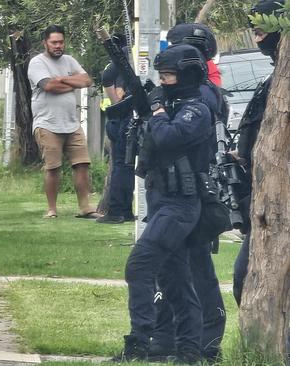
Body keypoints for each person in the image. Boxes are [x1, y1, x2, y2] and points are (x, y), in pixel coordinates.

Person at [116, 43, 212, 364]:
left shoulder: (197, 109)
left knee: (139, 266)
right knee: (175, 280)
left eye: (169, 75)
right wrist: (149, 108)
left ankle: (139, 344)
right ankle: (189, 351)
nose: (164, 81)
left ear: (187, 74)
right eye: (161, 75)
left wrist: (157, 112)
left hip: (181, 206)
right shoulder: (170, 105)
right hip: (163, 204)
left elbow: (169, 137)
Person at [149, 23, 227, 362]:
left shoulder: (203, 94)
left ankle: (205, 343)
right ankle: (164, 340)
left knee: (196, 270)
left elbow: (177, 134)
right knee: (168, 269)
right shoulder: (184, 91)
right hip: (170, 188)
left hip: (192, 190)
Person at [232, 0, 285, 306]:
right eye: (254, 31)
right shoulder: (273, 77)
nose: (257, 39)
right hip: (260, 198)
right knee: (245, 283)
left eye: (262, 30)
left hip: (280, 200)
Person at [27, 25, 101, 219]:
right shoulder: (37, 63)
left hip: (72, 123)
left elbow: (86, 81)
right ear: (45, 43)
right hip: (47, 124)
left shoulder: (69, 60)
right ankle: (52, 209)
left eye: (61, 42)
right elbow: (49, 86)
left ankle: (85, 208)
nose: (58, 46)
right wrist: (69, 82)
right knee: (53, 167)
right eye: (54, 42)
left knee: (82, 164)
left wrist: (62, 79)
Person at [96, 34, 136, 224]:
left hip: (120, 118)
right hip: (124, 117)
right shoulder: (131, 56)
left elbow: (110, 84)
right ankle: (124, 210)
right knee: (126, 166)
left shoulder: (124, 57)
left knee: (121, 166)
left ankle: (118, 211)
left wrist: (116, 104)